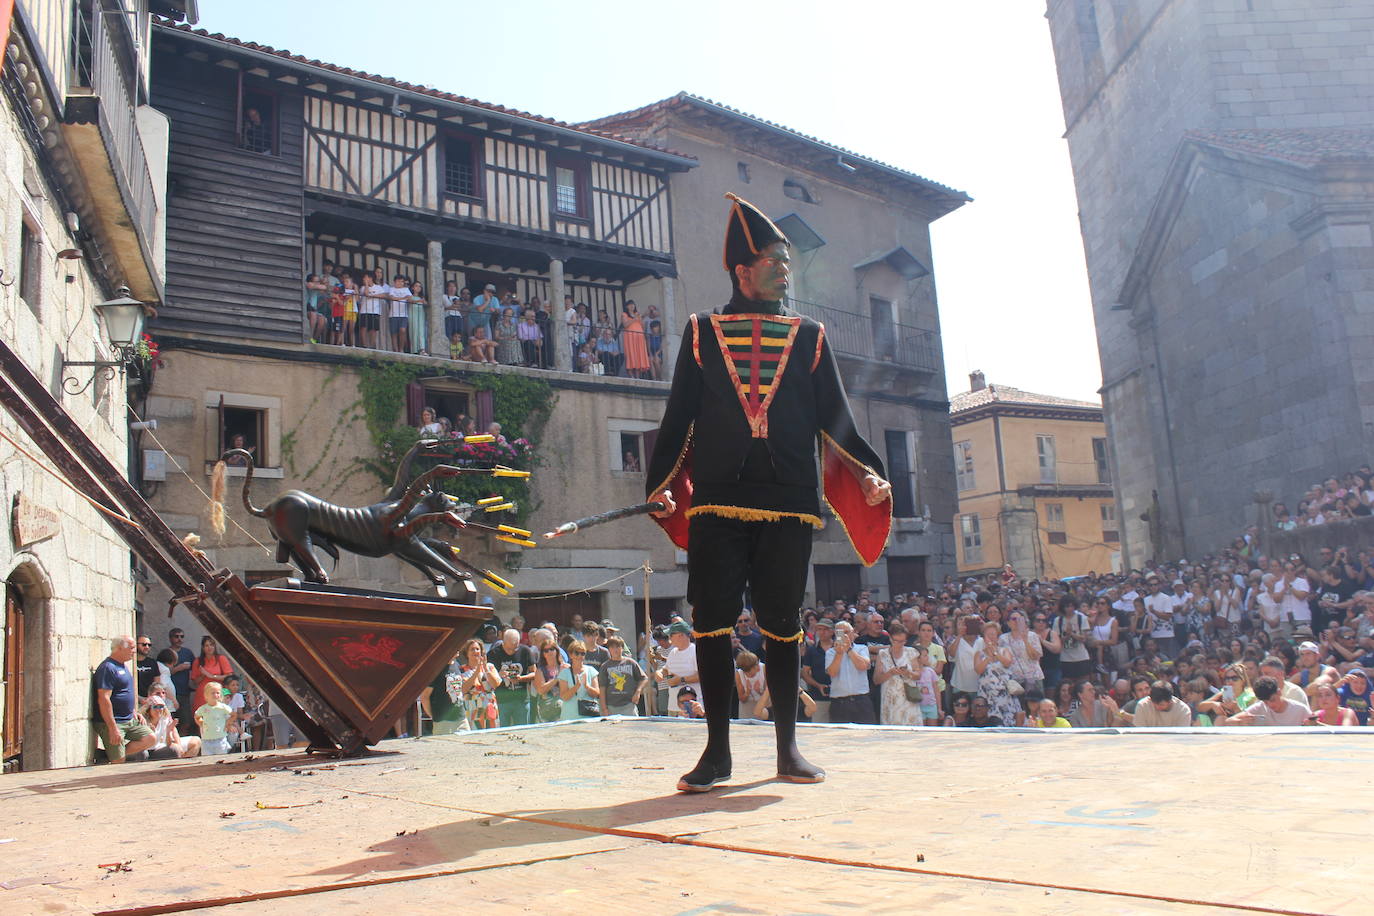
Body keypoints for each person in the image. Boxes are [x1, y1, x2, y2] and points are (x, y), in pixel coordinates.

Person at [645, 195, 892, 791]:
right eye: (773, 260)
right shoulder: (702, 331)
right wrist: (660, 484)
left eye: (787, 260)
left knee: (784, 625)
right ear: (742, 270)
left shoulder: (809, 336)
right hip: (716, 500)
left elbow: (835, 415)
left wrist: (864, 469)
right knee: (710, 622)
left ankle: (787, 750)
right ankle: (717, 755)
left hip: (787, 499)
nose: (785, 269)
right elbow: (678, 415)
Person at [93, 636, 157, 763]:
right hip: (114, 722)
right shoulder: (108, 668)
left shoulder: (123, 666)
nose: (134, 651)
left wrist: (134, 711)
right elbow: (104, 698)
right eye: (132, 647)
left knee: (150, 738)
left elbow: (126, 692)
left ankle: (107, 756)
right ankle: (114, 757)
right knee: (119, 762)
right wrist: (112, 728)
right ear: (119, 648)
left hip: (129, 719)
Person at [873, 621, 924, 726]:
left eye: (903, 641)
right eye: (897, 641)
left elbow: (918, 675)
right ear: (891, 639)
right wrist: (890, 673)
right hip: (890, 699)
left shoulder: (911, 652)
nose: (900, 644)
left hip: (908, 699)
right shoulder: (883, 654)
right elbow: (876, 680)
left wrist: (908, 673)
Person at [826, 621, 874, 725]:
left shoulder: (862, 648)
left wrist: (849, 650)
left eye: (847, 632)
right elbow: (832, 673)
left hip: (861, 700)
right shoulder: (830, 652)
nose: (844, 636)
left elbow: (863, 666)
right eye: (840, 633)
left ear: (853, 633)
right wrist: (839, 654)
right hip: (839, 702)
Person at [975, 621, 1022, 726]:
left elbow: (1007, 662)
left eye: (993, 634)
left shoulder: (1005, 650)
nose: (991, 637)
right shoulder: (979, 654)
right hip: (986, 694)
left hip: (1003, 694)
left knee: (1007, 720)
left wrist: (995, 653)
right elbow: (978, 670)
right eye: (988, 635)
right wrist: (988, 658)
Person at [487, 629, 536, 726]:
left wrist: (521, 678)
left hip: (521, 699)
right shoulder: (493, 654)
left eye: (515, 648)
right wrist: (499, 675)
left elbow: (534, 673)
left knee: (522, 730)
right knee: (502, 730)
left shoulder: (525, 651)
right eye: (509, 649)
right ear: (503, 642)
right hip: (502, 700)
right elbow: (488, 676)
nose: (512, 652)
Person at [1221, 676, 1314, 726]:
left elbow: (1315, 724)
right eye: (1265, 702)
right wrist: (1239, 722)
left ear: (1279, 692)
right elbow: (1228, 721)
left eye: (1272, 700)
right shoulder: (1260, 707)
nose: (1270, 705)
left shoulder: (1300, 710)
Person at [654, 621, 699, 715]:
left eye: (671, 635)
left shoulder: (695, 651)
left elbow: (702, 675)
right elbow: (666, 669)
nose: (669, 638)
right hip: (673, 706)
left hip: (691, 707)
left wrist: (681, 680)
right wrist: (660, 672)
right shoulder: (673, 652)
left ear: (681, 635)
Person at [599, 635, 646, 716]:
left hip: (628, 705)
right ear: (609, 649)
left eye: (618, 647)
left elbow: (644, 678)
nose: (615, 650)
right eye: (612, 647)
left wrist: (638, 691)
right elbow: (602, 688)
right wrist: (604, 709)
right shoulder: (605, 666)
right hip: (611, 706)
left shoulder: (630, 663)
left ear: (622, 648)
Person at [558, 640, 601, 719]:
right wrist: (576, 687)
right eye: (577, 653)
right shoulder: (565, 673)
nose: (579, 656)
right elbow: (564, 697)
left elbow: (597, 694)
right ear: (570, 655)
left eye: (582, 653)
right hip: (569, 716)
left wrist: (587, 686)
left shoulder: (591, 671)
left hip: (588, 716)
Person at [195, 680, 234, 756]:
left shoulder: (223, 707)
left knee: (221, 758)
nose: (215, 695)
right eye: (213, 693)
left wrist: (228, 724)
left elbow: (233, 715)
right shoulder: (203, 708)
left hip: (220, 739)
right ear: (206, 695)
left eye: (218, 693)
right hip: (206, 740)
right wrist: (201, 723)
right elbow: (197, 716)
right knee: (207, 760)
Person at [531, 642, 567, 723]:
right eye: (546, 650)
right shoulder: (540, 670)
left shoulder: (565, 667)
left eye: (551, 649)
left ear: (557, 651)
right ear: (543, 654)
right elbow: (541, 690)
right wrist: (557, 678)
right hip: (546, 708)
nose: (549, 652)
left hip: (564, 706)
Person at [191, 635, 233, 701]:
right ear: (203, 648)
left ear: (215, 646)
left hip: (218, 694)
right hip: (202, 695)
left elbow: (230, 677)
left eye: (211, 645)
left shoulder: (221, 658)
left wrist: (212, 676)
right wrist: (203, 675)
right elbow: (195, 681)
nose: (209, 647)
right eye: (206, 645)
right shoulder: (197, 661)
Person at [620, 299, 651, 379]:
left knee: (638, 355)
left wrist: (641, 319)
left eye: (633, 304)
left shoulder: (637, 314)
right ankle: (631, 376)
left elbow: (643, 327)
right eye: (630, 305)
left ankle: (637, 377)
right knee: (631, 355)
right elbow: (625, 325)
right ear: (627, 306)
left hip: (639, 338)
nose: (632, 306)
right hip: (630, 337)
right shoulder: (624, 314)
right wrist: (634, 319)